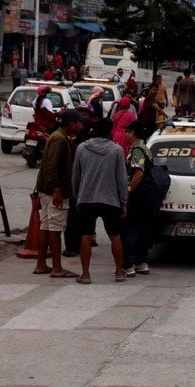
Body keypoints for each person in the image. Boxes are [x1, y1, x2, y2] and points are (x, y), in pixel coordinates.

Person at [71, 117, 128, 284]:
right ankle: (118, 272)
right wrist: (123, 202)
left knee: (86, 236)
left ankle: (86, 274)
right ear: (109, 131)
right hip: (110, 200)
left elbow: (76, 176)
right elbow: (122, 179)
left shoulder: (82, 148)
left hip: (87, 199)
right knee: (115, 236)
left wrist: (76, 198)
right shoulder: (116, 150)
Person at [32, 110, 84, 278]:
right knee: (55, 228)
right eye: (78, 123)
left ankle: (41, 264)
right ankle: (57, 268)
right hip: (53, 191)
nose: (80, 126)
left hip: (46, 190)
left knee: (46, 227)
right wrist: (57, 190)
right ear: (71, 124)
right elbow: (52, 167)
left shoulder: (59, 137)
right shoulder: (60, 139)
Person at [121, 122, 156, 278]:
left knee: (129, 229)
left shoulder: (136, 150)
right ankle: (142, 263)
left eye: (127, 131)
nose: (125, 135)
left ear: (133, 133)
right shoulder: (145, 148)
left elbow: (138, 174)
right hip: (145, 196)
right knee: (142, 229)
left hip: (136, 195)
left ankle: (128, 265)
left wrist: (127, 192)